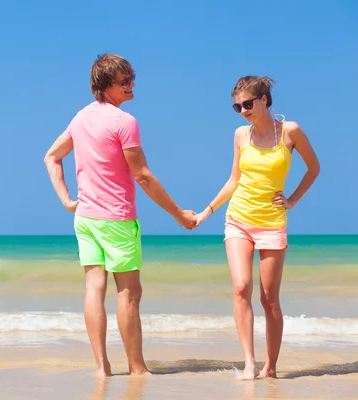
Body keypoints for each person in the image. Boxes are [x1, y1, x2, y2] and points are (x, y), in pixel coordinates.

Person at [43, 53, 196, 377]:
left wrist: (67, 201)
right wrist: (178, 214)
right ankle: (137, 369)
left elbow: (51, 157)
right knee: (128, 292)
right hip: (116, 219)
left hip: (85, 218)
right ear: (106, 86)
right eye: (124, 81)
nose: (131, 85)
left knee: (93, 287)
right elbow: (142, 176)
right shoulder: (124, 122)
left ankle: (102, 367)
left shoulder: (81, 118)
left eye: (131, 78)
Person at [194, 76, 320, 380]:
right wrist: (206, 212)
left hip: (272, 223)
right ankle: (249, 363)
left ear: (264, 100)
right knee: (241, 288)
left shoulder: (290, 131)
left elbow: (313, 168)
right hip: (238, 219)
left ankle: (270, 367)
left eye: (247, 104)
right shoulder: (240, 135)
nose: (242, 110)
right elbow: (234, 180)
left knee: (269, 298)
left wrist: (291, 200)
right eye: (237, 106)